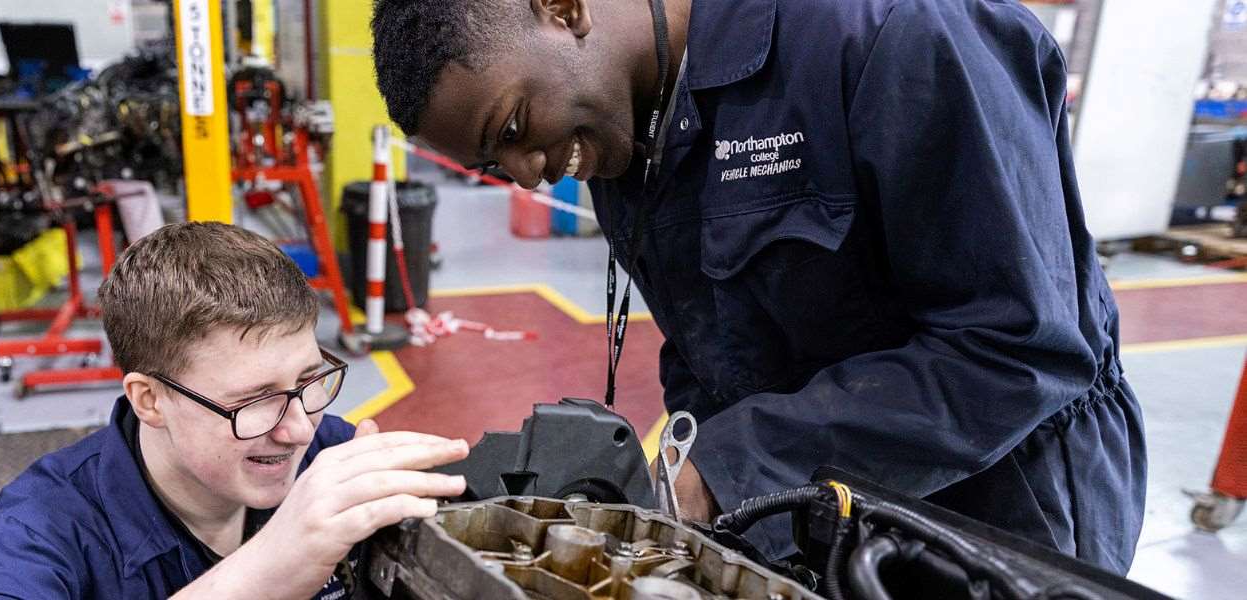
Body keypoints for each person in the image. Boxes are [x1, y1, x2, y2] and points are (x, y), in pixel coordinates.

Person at [371, 0, 1146, 574]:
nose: (525, 172)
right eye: (491, 164)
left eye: (511, 129)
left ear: (561, 9)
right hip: (818, 504)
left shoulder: (893, 31)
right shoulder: (622, 128)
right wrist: (686, 472)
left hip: (1003, 506)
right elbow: (714, 337)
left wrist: (734, 464)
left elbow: (1018, 351)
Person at [0, 222, 470, 599]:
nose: (299, 430)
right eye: (254, 401)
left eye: (309, 382)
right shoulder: (31, 539)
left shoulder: (330, 457)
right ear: (150, 400)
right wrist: (267, 573)